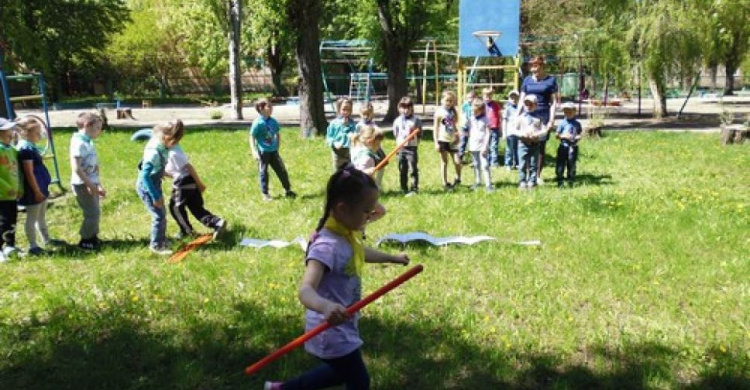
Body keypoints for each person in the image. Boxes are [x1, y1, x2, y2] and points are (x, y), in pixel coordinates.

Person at [264, 165, 409, 390]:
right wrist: (326, 307)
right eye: (366, 211)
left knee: (339, 373)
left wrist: (392, 258)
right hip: (329, 327)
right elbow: (305, 290)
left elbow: (362, 248)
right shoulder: (326, 246)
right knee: (359, 381)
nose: (373, 216)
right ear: (342, 209)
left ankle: (283, 388)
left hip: (343, 323)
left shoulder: (347, 233)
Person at [166, 128, 227, 241]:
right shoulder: (174, 149)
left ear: (169, 138)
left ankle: (187, 231)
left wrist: (200, 184)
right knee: (196, 208)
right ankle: (217, 222)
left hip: (183, 183)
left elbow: (188, 167)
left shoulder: (174, 153)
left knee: (175, 207)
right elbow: (175, 171)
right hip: (188, 183)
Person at [16, 116, 62, 255]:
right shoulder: (25, 149)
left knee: (41, 215)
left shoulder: (31, 146)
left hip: (41, 186)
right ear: (25, 133)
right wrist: (36, 191)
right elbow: (29, 173)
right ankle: (33, 245)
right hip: (33, 189)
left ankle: (46, 239)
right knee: (32, 216)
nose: (39, 135)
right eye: (36, 133)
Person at [137, 120, 183, 255]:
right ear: (166, 138)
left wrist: (169, 174)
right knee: (158, 216)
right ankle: (156, 245)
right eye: (174, 142)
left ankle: (161, 239)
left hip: (154, 184)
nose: (176, 145)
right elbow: (145, 176)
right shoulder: (154, 153)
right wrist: (155, 196)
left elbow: (157, 168)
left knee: (162, 214)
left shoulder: (162, 145)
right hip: (148, 188)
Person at [519, 56, 560, 185]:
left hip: (543, 116)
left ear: (542, 66)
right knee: (525, 144)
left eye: (536, 66)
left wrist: (552, 120)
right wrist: (517, 115)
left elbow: (553, 102)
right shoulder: (527, 80)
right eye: (531, 66)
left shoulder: (551, 81)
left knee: (540, 146)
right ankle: (525, 174)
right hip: (527, 116)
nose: (533, 69)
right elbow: (521, 99)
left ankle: (537, 175)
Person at [70, 112, 106, 251]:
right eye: (98, 128)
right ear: (87, 125)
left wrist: (98, 184)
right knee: (92, 213)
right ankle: (85, 240)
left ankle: (93, 237)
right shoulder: (78, 143)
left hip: (91, 183)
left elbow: (93, 167)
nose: (99, 131)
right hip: (82, 184)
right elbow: (77, 168)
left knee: (95, 211)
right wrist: (89, 185)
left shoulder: (87, 142)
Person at [250, 98, 297, 201]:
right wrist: (254, 151)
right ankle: (265, 193)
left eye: (271, 106)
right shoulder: (257, 123)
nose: (272, 108)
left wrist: (277, 146)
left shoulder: (273, 121)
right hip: (263, 152)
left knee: (281, 170)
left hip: (273, 151)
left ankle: (287, 189)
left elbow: (277, 133)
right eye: (269, 106)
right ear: (261, 109)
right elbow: (252, 137)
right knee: (263, 172)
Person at [511, 95, 545, 189]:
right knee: (522, 164)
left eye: (531, 104)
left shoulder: (538, 118)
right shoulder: (521, 117)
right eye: (526, 104)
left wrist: (538, 134)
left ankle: (532, 181)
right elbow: (513, 130)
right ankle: (522, 181)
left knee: (534, 164)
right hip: (523, 144)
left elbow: (544, 130)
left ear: (536, 105)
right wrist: (521, 133)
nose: (528, 106)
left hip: (535, 144)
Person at [0, 118, 20, 261]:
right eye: (8, 132)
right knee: (3, 221)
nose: (12, 134)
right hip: (2, 194)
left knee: (12, 220)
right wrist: (7, 188)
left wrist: (19, 188)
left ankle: (10, 245)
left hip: (12, 194)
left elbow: (17, 171)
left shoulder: (12, 150)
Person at [392, 96, 422, 196]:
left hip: (411, 148)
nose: (405, 110)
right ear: (399, 108)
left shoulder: (416, 120)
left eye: (408, 108)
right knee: (402, 168)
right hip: (400, 148)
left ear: (411, 108)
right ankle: (403, 187)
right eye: (403, 108)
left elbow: (419, 134)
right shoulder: (397, 121)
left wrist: (415, 143)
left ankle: (414, 188)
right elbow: (395, 133)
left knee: (412, 168)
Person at [433, 90, 462, 189]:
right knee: (444, 161)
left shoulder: (453, 111)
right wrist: (436, 142)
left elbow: (455, 125)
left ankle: (458, 178)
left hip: (452, 140)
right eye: (447, 100)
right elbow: (435, 128)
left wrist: (458, 135)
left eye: (451, 101)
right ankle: (444, 182)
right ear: (442, 100)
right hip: (442, 140)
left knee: (457, 161)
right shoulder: (439, 112)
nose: (449, 102)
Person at [463, 98, 493, 192]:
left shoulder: (485, 119)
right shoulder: (470, 118)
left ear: (481, 110)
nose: (474, 113)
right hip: (473, 145)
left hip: (482, 146)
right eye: (473, 111)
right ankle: (477, 181)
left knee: (485, 165)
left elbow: (488, 133)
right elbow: (465, 130)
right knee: (476, 164)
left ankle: (488, 185)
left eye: (476, 111)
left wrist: (485, 145)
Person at [555, 102, 583, 187]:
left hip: (573, 146)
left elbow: (579, 134)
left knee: (571, 162)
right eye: (565, 112)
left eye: (570, 112)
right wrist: (563, 136)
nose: (567, 114)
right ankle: (560, 178)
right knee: (561, 163)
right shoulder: (562, 123)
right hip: (563, 146)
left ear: (574, 111)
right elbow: (557, 135)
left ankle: (571, 178)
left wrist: (578, 137)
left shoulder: (577, 123)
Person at [326, 98, 357, 171]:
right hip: (337, 152)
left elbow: (355, 134)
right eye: (344, 109)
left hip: (349, 151)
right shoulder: (334, 123)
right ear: (339, 109)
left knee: (350, 170)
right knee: (337, 171)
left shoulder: (352, 123)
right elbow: (329, 137)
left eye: (348, 110)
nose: (346, 112)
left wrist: (354, 136)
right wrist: (334, 143)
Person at [482, 87, 502, 168]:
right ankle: (486, 160)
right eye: (486, 96)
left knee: (494, 146)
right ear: (483, 96)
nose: (488, 98)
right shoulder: (481, 105)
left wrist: (500, 128)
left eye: (489, 96)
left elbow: (499, 116)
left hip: (495, 128)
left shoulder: (496, 105)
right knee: (486, 145)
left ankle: (494, 162)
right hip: (485, 128)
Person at [502, 90, 520, 170]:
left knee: (518, 148)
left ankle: (517, 163)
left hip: (519, 132)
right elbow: (504, 120)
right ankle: (508, 164)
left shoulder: (521, 108)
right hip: (510, 131)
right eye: (512, 98)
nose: (514, 99)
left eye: (515, 98)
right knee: (509, 148)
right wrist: (504, 132)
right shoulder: (507, 108)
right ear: (509, 99)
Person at [458, 89, 476, 164]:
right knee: (462, 143)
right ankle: (460, 158)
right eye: (468, 98)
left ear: (474, 98)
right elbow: (462, 115)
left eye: (471, 97)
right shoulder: (464, 105)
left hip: (474, 128)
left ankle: (474, 160)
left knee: (473, 144)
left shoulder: (476, 105)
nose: (469, 99)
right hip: (464, 127)